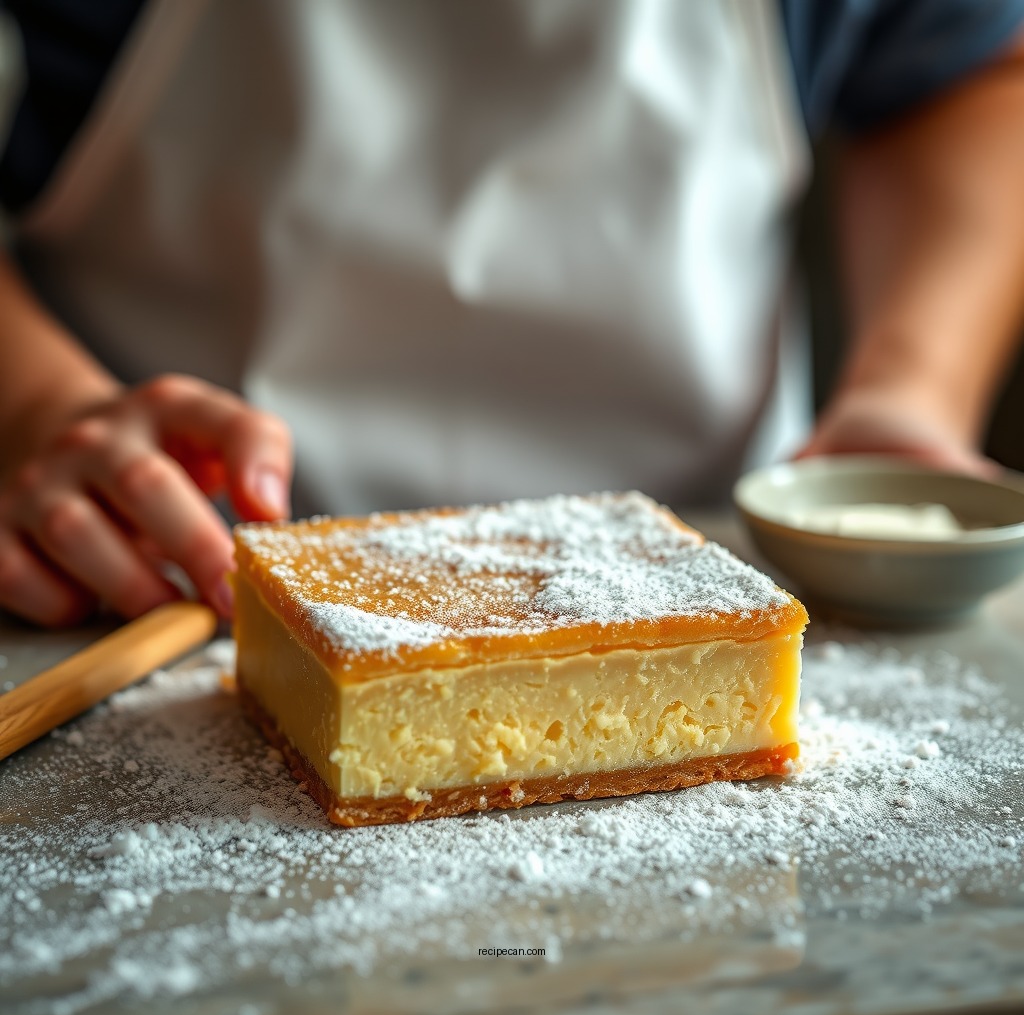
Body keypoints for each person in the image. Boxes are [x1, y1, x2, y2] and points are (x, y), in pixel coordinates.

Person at [1, 1, 1023, 628]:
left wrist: (909, 387)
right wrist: (36, 405)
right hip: (167, 566)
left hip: (715, 564)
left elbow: (954, 73)